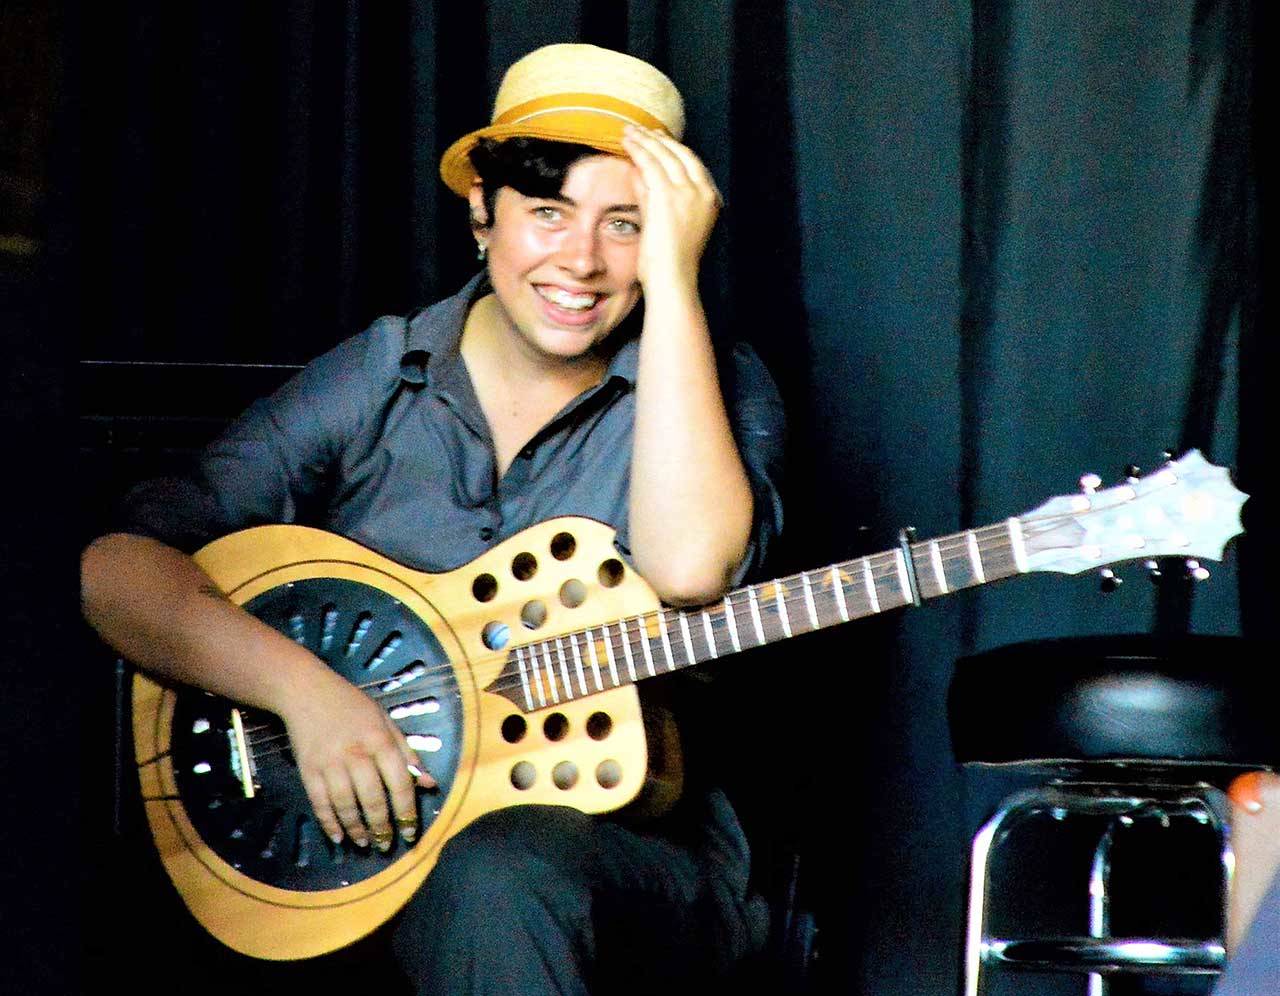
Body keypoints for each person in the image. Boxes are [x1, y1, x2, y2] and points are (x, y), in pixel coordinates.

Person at [80, 43, 785, 994]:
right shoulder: (380, 374)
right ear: (482, 213)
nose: (582, 261)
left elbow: (691, 568)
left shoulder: (717, 384)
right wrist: (307, 695)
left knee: (496, 880)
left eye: (626, 226)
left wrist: (675, 283)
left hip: (622, 860)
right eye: (548, 213)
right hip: (364, 855)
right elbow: (116, 570)